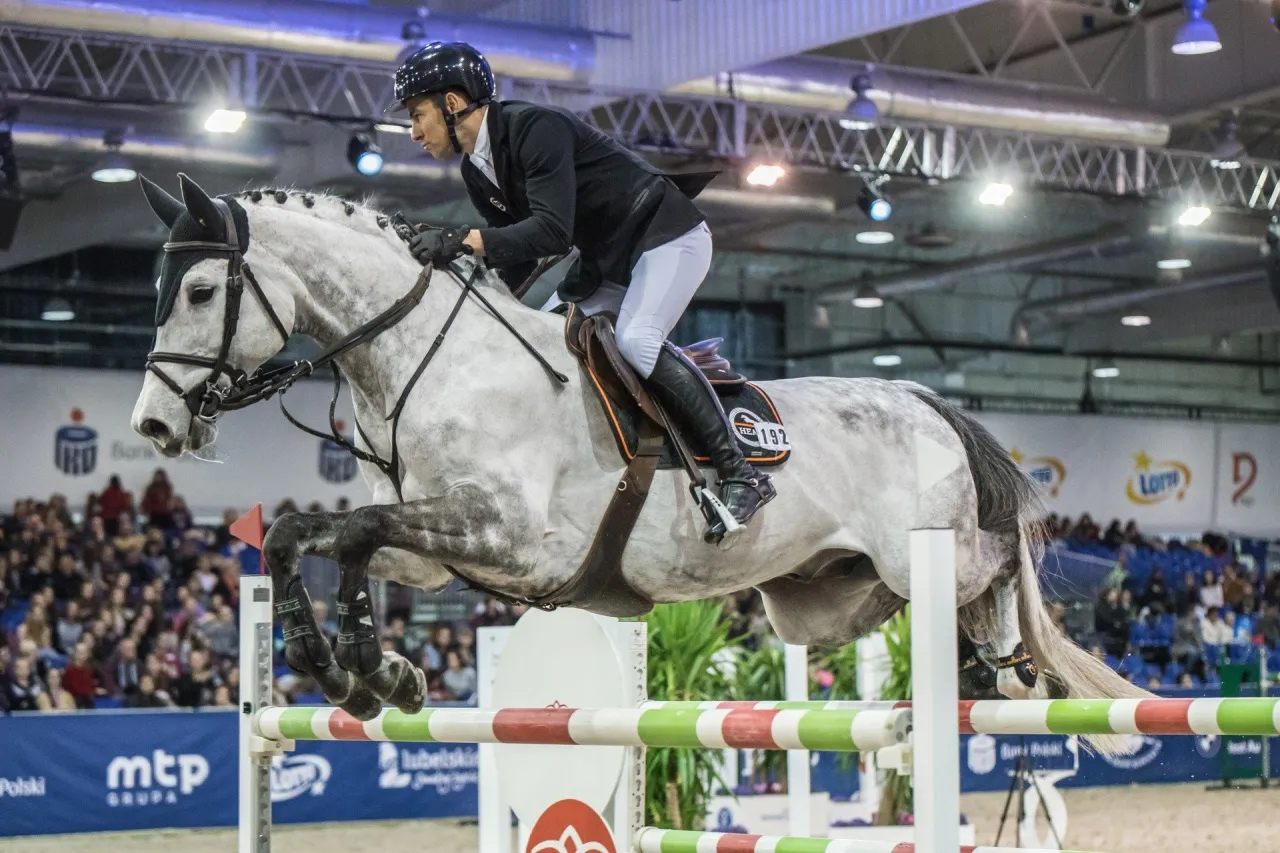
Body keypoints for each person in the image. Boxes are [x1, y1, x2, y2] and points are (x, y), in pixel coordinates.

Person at [391, 41, 775, 545]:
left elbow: (552, 233)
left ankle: (740, 472)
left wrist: (463, 239)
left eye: (417, 116)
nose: (414, 132)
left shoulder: (536, 129)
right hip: (607, 261)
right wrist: (469, 292)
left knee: (637, 341)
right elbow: (518, 255)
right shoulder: (476, 169)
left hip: (666, 236)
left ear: (452, 103)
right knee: (545, 344)